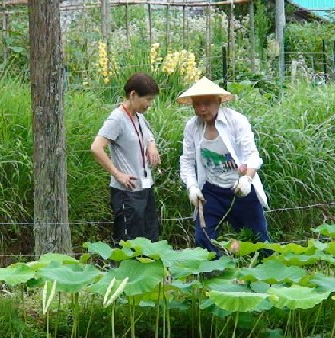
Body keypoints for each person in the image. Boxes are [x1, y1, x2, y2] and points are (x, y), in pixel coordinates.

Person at [178, 77, 270, 257]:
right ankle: (216, 275)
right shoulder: (192, 127)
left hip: (240, 189)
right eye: (197, 104)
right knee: (203, 238)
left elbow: (252, 155)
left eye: (207, 103)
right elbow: (187, 160)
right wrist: (192, 187)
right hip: (212, 191)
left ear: (219, 101)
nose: (202, 109)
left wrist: (246, 179)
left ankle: (265, 279)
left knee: (260, 240)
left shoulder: (236, 121)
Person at [90, 73, 161, 243]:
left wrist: (152, 146)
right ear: (133, 95)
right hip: (127, 193)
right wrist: (118, 174)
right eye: (148, 99)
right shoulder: (117, 119)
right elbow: (96, 148)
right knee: (129, 243)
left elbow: (148, 136)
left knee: (151, 240)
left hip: (145, 187)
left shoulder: (139, 116)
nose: (149, 104)